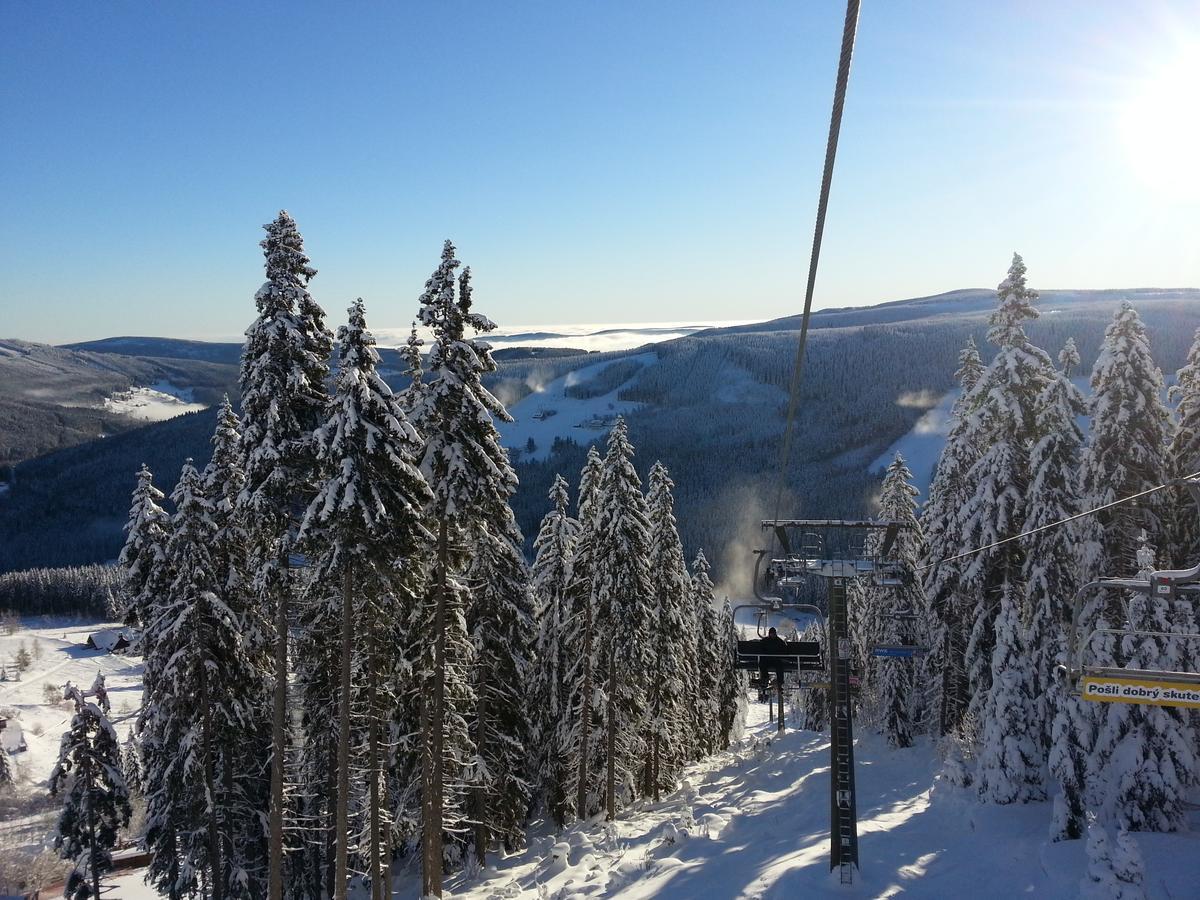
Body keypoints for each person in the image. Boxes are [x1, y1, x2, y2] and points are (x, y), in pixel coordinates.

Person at [758, 627, 790, 701]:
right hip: (767, 659)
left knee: (779, 667)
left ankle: (780, 683)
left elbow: (785, 650)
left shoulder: (779, 641)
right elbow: (760, 648)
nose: (772, 635)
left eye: (774, 634)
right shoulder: (765, 641)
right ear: (769, 634)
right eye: (771, 634)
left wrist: (780, 654)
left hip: (776, 660)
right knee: (762, 664)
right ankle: (765, 678)